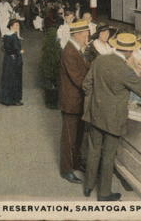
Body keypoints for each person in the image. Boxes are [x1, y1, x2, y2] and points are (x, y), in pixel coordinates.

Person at [82, 33, 141, 201]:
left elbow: (86, 85)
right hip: (113, 119)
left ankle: (88, 186)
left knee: (93, 151)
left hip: (95, 113)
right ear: (130, 52)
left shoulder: (100, 60)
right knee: (108, 156)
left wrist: (96, 102)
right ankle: (104, 193)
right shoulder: (126, 71)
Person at [59, 20, 91, 184]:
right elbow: (78, 78)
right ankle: (66, 170)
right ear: (77, 35)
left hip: (78, 101)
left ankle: (76, 163)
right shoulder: (69, 52)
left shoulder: (76, 49)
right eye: (86, 33)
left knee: (78, 136)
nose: (88, 36)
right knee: (69, 138)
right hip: (72, 102)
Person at [0, 19, 24, 106]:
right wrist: (20, 51)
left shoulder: (5, 35)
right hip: (14, 60)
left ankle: (5, 99)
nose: (17, 27)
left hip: (7, 59)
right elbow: (16, 49)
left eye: (18, 25)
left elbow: (3, 48)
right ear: (11, 26)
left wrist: (9, 53)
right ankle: (14, 100)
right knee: (15, 78)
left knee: (7, 78)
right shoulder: (14, 36)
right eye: (16, 25)